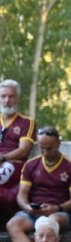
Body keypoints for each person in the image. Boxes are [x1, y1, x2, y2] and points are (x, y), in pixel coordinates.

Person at [7, 125, 71, 242]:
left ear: (58, 144)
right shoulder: (30, 165)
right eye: (42, 148)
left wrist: (57, 207)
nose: (45, 152)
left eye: (49, 148)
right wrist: (27, 207)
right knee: (12, 225)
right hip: (33, 212)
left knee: (49, 223)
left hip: (59, 213)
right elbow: (22, 194)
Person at [0, 79, 35, 216]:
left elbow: (23, 150)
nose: (7, 100)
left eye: (11, 96)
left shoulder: (26, 122)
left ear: (18, 98)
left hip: (13, 165)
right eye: (3, 96)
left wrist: (2, 158)